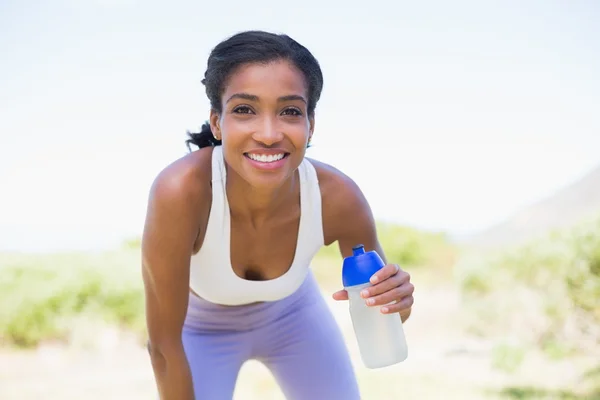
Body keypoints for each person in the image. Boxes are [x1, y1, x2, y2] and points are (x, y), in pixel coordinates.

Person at [141, 30, 415, 400]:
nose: (269, 134)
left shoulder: (338, 198)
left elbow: (386, 314)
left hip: (294, 318)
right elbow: (163, 345)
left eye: (289, 111)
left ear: (310, 124)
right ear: (218, 122)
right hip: (201, 329)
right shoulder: (182, 192)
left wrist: (396, 300)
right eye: (244, 110)